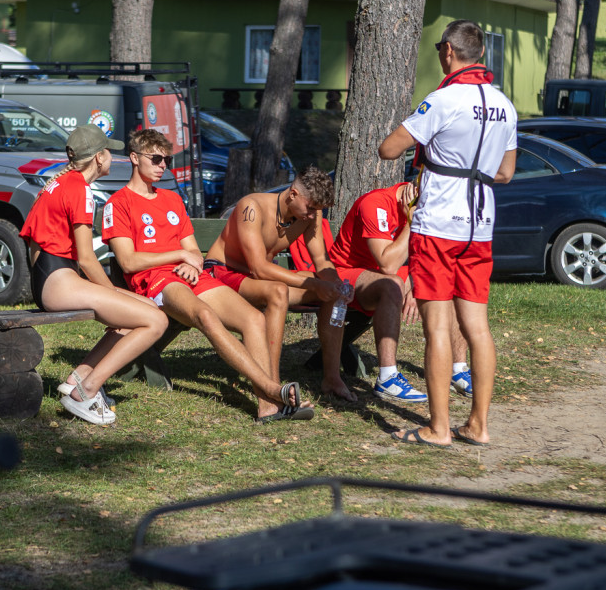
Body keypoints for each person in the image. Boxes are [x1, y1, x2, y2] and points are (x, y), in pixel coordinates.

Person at [103, 129, 313, 422]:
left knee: (254, 319)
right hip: (155, 281)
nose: (163, 164)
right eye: (156, 158)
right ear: (135, 159)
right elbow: (127, 261)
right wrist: (179, 256)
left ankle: (267, 406)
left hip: (189, 277)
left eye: (167, 159)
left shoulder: (172, 200)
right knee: (206, 316)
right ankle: (269, 388)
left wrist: (193, 263)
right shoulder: (119, 203)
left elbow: (192, 251)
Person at [378, 19, 517, 447]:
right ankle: (478, 424)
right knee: (477, 327)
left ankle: (438, 428)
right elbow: (506, 172)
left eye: (441, 48)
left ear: (450, 53)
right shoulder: (505, 105)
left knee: (437, 328)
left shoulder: (442, 99)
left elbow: (388, 148)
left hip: (439, 222)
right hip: (481, 223)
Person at [19, 124, 169, 425]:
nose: (112, 158)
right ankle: (86, 391)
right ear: (99, 158)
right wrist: (112, 292)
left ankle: (78, 378)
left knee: (147, 308)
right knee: (156, 320)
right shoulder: (80, 190)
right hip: (59, 283)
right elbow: (87, 259)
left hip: (53, 279)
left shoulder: (62, 183)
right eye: (109, 153)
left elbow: (39, 247)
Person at [204, 167, 357, 401]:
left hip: (258, 280)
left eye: (317, 210)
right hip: (223, 272)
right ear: (293, 194)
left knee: (331, 293)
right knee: (278, 291)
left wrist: (337, 285)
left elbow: (321, 261)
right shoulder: (251, 207)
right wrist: (312, 284)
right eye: (310, 207)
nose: (312, 215)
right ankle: (272, 383)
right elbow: (258, 267)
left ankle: (332, 378)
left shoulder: (309, 215)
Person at [323, 181, 473, 402]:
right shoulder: (375, 204)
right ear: (415, 190)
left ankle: (458, 370)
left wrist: (414, 280)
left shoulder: (428, 206)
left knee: (448, 279)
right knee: (391, 283)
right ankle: (387, 377)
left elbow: (435, 258)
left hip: (388, 273)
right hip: (345, 274)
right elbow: (388, 264)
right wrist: (411, 223)